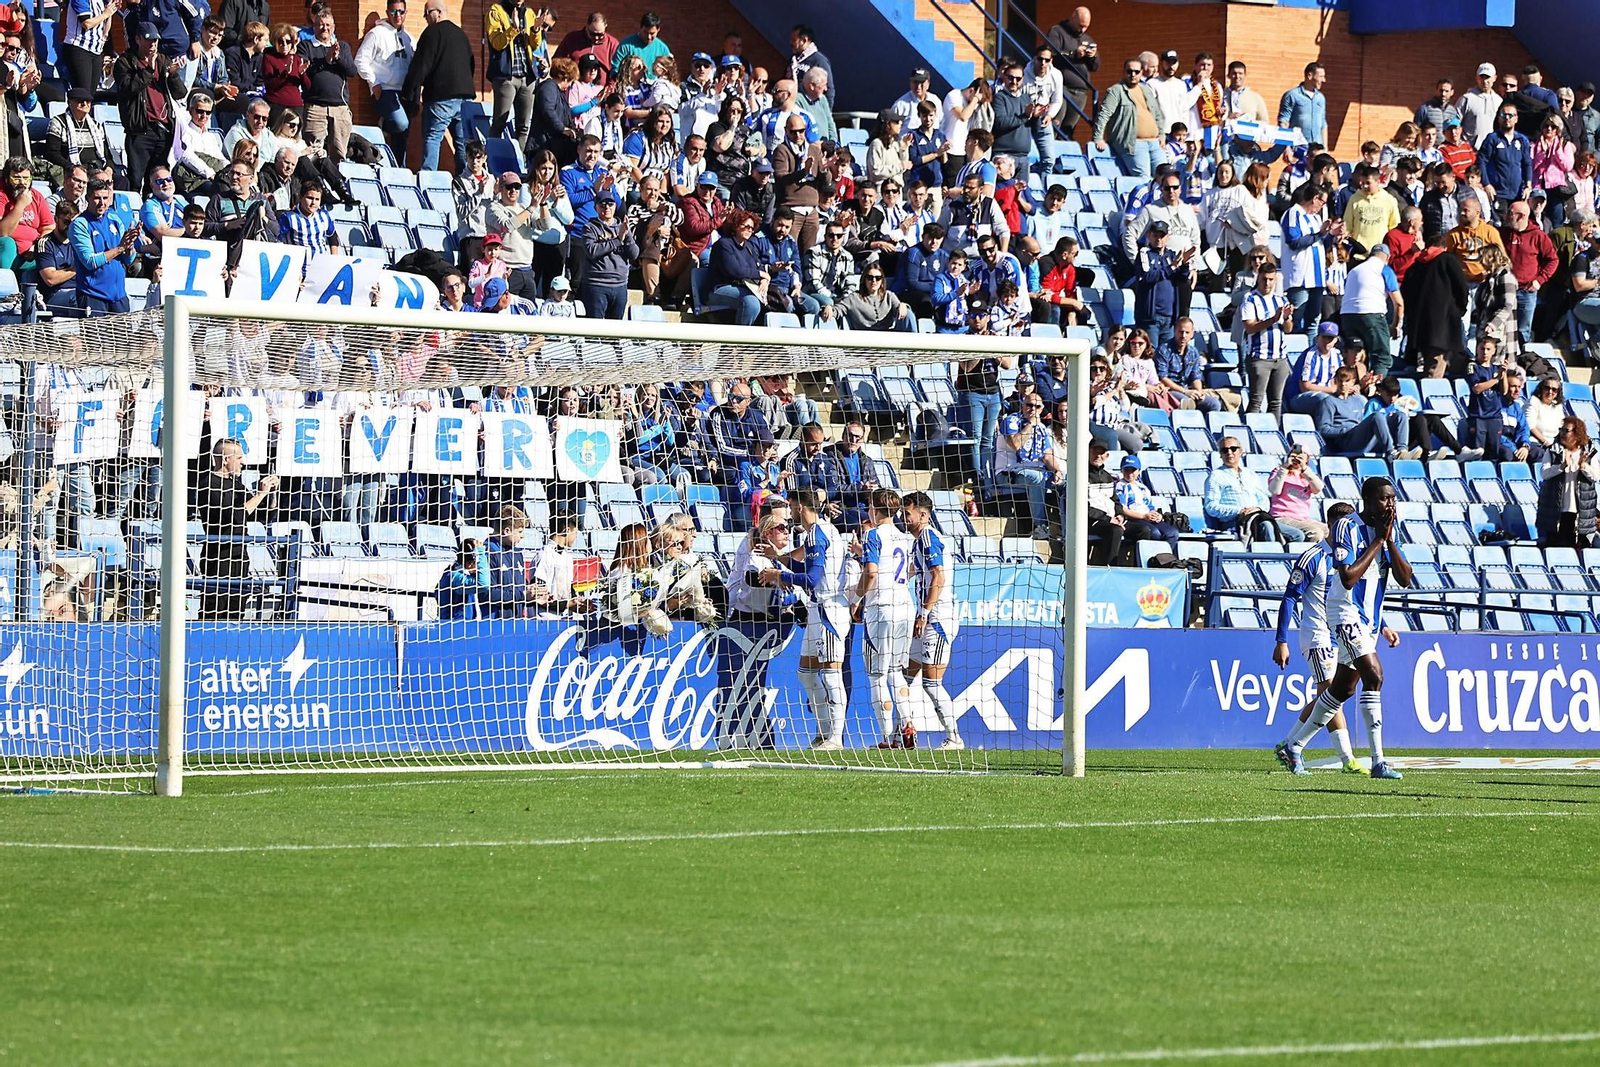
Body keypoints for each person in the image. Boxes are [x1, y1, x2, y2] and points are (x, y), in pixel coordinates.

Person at [1276, 477, 1411, 780]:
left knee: (1342, 689)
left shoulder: (1389, 531)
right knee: (1374, 676)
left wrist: (1388, 540)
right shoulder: (1345, 527)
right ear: (1368, 500)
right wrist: (1378, 541)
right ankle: (1378, 761)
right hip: (1345, 613)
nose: (1390, 504)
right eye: (1384, 499)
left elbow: (1405, 579)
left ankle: (1293, 745)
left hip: (1371, 620)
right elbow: (1348, 577)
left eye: (1393, 499)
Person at [1271, 501, 1368, 776]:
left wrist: (1382, 625)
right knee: (1332, 694)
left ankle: (1289, 746)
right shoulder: (1313, 557)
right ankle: (1346, 759)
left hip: (1343, 635)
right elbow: (1290, 597)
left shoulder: (1350, 559)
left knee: (1330, 697)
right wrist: (1281, 640)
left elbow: (1356, 600)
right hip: (1318, 635)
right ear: (1337, 526)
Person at [895, 491, 964, 750]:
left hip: (937, 618)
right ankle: (900, 734)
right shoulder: (917, 541)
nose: (903, 517)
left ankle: (954, 737)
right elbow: (912, 571)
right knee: (905, 676)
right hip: (925, 616)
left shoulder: (927, 538)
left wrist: (924, 613)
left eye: (907, 512)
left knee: (931, 683)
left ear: (922, 515)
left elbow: (939, 577)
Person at [854, 488, 917, 749]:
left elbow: (871, 572)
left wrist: (856, 598)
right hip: (905, 605)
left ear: (875, 509)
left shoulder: (872, 535)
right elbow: (911, 569)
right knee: (896, 671)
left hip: (881, 608)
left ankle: (886, 737)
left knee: (877, 675)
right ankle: (908, 722)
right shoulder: (905, 538)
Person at [195, 438, 279, 620]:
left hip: (240, 555)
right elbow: (233, 517)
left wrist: (270, 494)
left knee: (237, 608)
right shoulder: (208, 484)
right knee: (215, 608)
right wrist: (260, 494)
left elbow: (260, 515)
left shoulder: (237, 485)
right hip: (218, 556)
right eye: (239, 458)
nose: (243, 462)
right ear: (225, 460)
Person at [402, 0, 475, 173]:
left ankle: (429, 179)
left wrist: (408, 92)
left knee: (433, 138)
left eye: (427, 13)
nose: (425, 17)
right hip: (464, 98)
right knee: (461, 143)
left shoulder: (431, 34)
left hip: (440, 97)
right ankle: (464, 179)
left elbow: (421, 66)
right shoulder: (461, 35)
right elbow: (471, 64)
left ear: (439, 12)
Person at [115, 29, 187, 195]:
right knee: (135, 178)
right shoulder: (125, 62)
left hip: (163, 129)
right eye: (148, 40)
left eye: (155, 41)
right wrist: (148, 69)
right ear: (138, 39)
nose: (152, 45)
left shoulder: (163, 60)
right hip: (140, 129)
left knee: (157, 178)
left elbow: (180, 93)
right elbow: (128, 88)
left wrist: (173, 75)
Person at [1203, 435, 1302, 543]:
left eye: (1233, 449)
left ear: (1240, 451)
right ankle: (1270, 559)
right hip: (1236, 521)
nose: (1229, 453)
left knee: (1297, 535)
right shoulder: (1215, 476)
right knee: (1267, 527)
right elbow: (1211, 506)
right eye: (1225, 450)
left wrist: (1258, 508)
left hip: (1258, 516)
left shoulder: (1250, 474)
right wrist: (1239, 511)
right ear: (1220, 455)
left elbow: (1263, 499)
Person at [353, 0, 415, 166]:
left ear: (406, 12)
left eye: (401, 11)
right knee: (401, 124)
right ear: (387, 12)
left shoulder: (409, 38)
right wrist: (374, 83)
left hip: (404, 93)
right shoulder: (376, 34)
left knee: (403, 134)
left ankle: (398, 169)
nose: (398, 16)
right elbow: (360, 61)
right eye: (394, 12)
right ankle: (385, 125)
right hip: (385, 90)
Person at [994, 392, 1061, 539]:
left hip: (1034, 470)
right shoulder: (1011, 421)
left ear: (1042, 409)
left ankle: (1065, 527)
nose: (1032, 409)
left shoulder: (1042, 428)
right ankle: (1039, 526)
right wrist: (1030, 424)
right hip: (1008, 472)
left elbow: (1047, 455)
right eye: (1029, 405)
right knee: (1037, 478)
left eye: (1037, 406)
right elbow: (1016, 444)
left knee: (1068, 482)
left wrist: (1057, 471)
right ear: (1022, 405)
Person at [69, 180, 140, 313]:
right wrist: (120, 248)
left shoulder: (114, 219)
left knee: (124, 335)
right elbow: (90, 262)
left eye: (105, 198)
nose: (102, 202)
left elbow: (128, 260)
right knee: (96, 335)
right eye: (97, 198)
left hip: (119, 296)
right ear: (87, 198)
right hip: (93, 295)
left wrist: (129, 247)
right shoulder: (80, 224)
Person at [1092, 56, 1166, 179]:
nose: (1133, 74)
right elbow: (1104, 114)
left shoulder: (1146, 90)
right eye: (1129, 71)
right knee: (1144, 178)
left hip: (1155, 143)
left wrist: (1162, 135)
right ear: (1124, 72)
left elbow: (1157, 114)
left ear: (1142, 72)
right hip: (1133, 144)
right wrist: (1098, 137)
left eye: (1136, 72)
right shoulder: (1116, 91)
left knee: (1165, 176)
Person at [1339, 243, 1403, 378]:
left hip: (1347, 315)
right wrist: (1395, 325)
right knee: (1381, 357)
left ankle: (1350, 384)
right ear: (1388, 258)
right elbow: (1398, 303)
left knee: (1354, 355)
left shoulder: (1355, 270)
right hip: (1372, 313)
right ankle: (1378, 389)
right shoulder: (1384, 269)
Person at [1500, 198, 1557, 346]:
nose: (1507, 216)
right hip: (1504, 290)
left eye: (1511, 213)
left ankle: (1522, 363)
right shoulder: (1502, 233)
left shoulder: (1539, 236)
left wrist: (1540, 280)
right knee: (1501, 328)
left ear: (1522, 216)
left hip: (1526, 292)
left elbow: (1553, 260)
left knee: (1523, 331)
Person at [1240, 259, 1292, 417]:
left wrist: (1288, 318)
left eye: (1271, 279)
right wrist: (1273, 319)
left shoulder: (1281, 300)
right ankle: (1249, 431)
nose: (1267, 283)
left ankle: (1274, 435)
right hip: (1259, 357)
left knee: (1276, 402)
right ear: (1258, 278)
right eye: (1264, 279)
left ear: (1275, 279)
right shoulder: (1250, 299)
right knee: (1256, 400)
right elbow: (1249, 328)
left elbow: (1288, 329)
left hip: (1280, 358)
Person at [1537, 417, 1600, 548]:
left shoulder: (1589, 452)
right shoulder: (1553, 451)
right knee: (1557, 547)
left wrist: (1583, 466)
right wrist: (1561, 466)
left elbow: (1596, 476)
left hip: (1580, 511)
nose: (1562, 433)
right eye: (1561, 429)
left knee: (1578, 549)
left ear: (1577, 434)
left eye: (1566, 430)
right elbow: (1544, 473)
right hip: (1556, 511)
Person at [1046, 6, 1097, 135]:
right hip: (1061, 85)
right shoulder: (1057, 32)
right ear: (1073, 17)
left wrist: (1093, 56)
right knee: (1056, 121)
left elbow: (1095, 67)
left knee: (1069, 128)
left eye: (1086, 27)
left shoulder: (1087, 39)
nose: (1082, 30)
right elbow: (1050, 54)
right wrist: (1073, 54)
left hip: (1080, 90)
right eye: (1080, 25)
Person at [1114, 455, 1179, 557]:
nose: (1130, 473)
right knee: (1154, 533)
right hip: (1133, 519)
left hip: (1147, 518)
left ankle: (1164, 560)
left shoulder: (1143, 488)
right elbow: (1121, 508)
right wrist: (1143, 516)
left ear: (1139, 471)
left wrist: (1157, 515)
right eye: (1127, 470)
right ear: (1122, 470)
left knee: (1172, 533)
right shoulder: (1119, 486)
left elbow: (1150, 506)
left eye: (1133, 470)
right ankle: (1149, 561)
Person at [837, 266, 909, 331]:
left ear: (882, 281)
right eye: (870, 278)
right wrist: (829, 308)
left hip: (888, 338)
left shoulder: (889, 296)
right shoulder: (854, 298)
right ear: (864, 279)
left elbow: (899, 309)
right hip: (864, 339)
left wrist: (903, 305)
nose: (874, 281)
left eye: (878, 278)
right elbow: (838, 309)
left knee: (908, 313)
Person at [436, 540, 484, 621]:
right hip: (456, 626)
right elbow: (482, 583)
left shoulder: (453, 572)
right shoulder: (456, 578)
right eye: (478, 563)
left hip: (458, 624)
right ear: (470, 564)